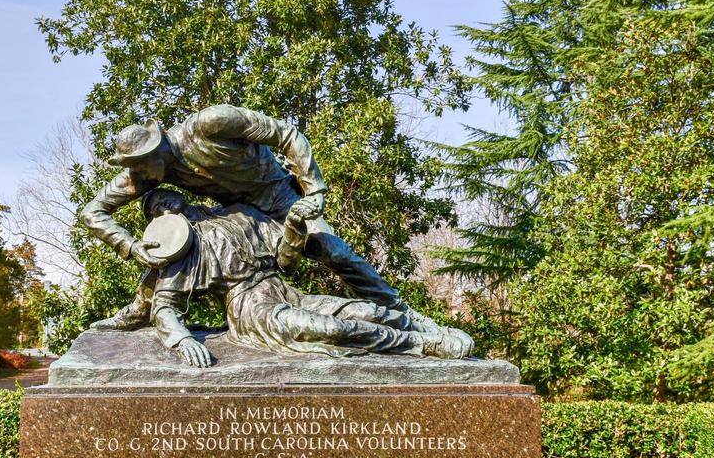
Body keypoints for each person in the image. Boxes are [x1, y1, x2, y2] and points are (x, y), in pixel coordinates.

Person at [80, 104, 446, 336]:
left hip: (279, 198)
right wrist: (130, 246)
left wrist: (313, 189)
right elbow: (92, 212)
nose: (135, 174)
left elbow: (287, 135)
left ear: (156, 148)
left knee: (332, 251)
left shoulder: (211, 124)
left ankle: (404, 313)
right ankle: (140, 311)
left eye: (138, 164)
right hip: (240, 219)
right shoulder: (149, 173)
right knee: (179, 243)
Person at [138, 189, 473, 367]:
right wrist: (182, 340)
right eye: (155, 209)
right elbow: (165, 305)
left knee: (363, 311)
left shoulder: (240, 214)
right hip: (252, 309)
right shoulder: (184, 250)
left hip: (284, 290)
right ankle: (423, 345)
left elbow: (285, 261)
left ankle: (430, 329)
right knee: (333, 330)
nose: (162, 203)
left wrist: (295, 223)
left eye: (164, 196)